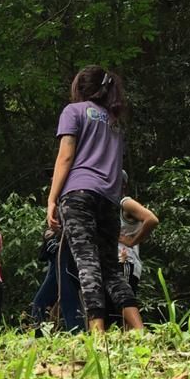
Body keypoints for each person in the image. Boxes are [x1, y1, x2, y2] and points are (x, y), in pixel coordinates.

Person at [47, 66, 145, 332]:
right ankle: (139, 330)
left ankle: (97, 332)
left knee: (86, 262)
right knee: (111, 269)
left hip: (77, 194)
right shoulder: (115, 122)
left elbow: (66, 156)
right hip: (109, 199)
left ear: (80, 88)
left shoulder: (74, 111)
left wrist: (52, 199)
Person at [31, 229, 83, 333]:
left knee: (68, 299)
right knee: (40, 303)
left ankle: (77, 334)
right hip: (56, 262)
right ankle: (38, 335)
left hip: (69, 259)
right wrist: (49, 234)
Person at [118, 174, 159, 297]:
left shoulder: (125, 202)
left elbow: (151, 219)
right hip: (115, 261)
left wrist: (132, 241)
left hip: (126, 261)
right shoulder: (110, 205)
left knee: (123, 302)